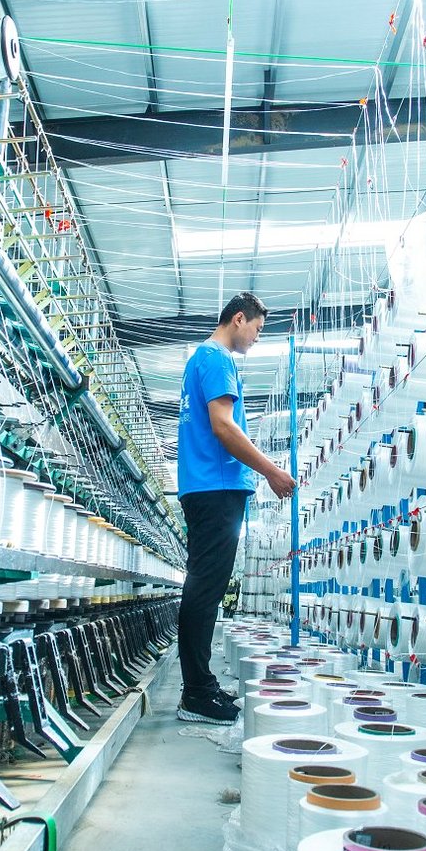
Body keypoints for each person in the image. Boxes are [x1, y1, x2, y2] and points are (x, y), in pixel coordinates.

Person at [174, 292, 296, 724]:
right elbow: (223, 427)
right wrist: (270, 471)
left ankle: (200, 684)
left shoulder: (202, 360)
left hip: (207, 486)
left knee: (204, 588)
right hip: (216, 486)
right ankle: (195, 694)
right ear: (238, 319)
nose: (257, 340)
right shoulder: (216, 358)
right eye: (258, 330)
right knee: (205, 590)